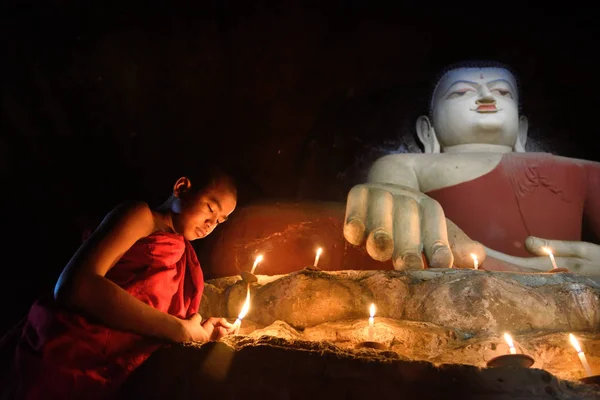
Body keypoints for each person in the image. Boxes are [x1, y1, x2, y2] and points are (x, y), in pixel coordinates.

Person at [344, 61, 600, 275]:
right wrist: (556, 271)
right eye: (461, 92)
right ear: (426, 130)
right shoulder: (405, 165)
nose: (487, 97)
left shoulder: (582, 169)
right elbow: (405, 235)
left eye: (503, 92)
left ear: (522, 129)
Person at [5, 167, 239, 399]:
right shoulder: (140, 217)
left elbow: (155, 322)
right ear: (181, 188)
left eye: (220, 221)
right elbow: (75, 286)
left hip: (117, 373)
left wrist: (202, 333)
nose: (211, 224)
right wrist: (179, 330)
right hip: (69, 356)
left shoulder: (185, 258)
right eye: (210, 208)